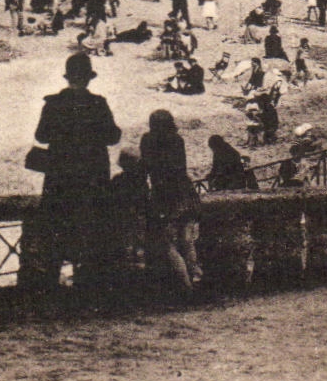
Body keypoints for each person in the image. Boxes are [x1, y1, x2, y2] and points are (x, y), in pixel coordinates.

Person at [25, 52, 122, 293]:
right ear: (89, 79)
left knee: (57, 229)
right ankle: (88, 286)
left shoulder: (53, 104)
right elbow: (113, 136)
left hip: (60, 177)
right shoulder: (98, 104)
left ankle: (51, 285)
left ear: (68, 77)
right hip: (93, 178)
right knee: (91, 230)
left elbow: (41, 136)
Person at [139, 109, 202, 292]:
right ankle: (196, 276)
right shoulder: (177, 139)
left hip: (164, 194)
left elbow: (146, 167)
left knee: (166, 243)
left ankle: (186, 285)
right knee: (187, 239)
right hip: (186, 192)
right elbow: (181, 167)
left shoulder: (148, 139)